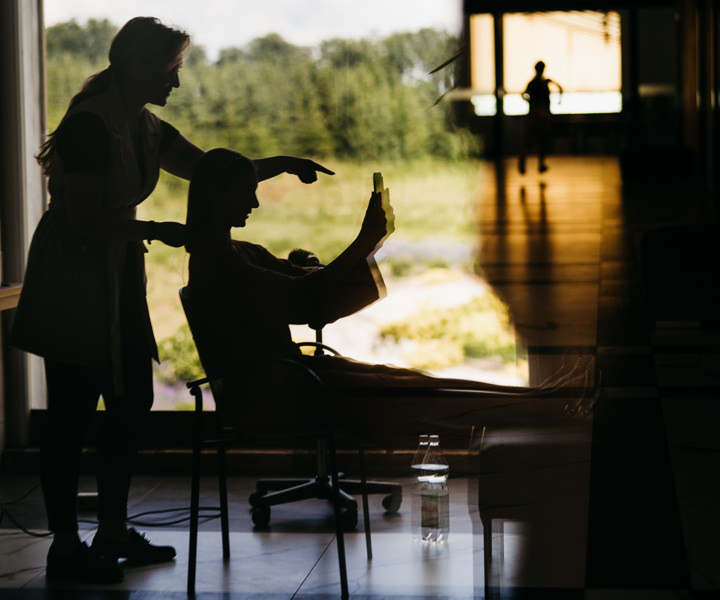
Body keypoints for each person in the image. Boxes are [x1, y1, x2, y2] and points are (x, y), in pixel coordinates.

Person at [9, 17, 332, 584]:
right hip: (74, 279)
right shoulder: (91, 127)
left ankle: (111, 530)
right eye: (170, 69)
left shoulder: (144, 126)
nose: (176, 82)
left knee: (131, 401)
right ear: (138, 65)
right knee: (71, 415)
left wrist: (280, 164)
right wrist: (156, 229)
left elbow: (210, 172)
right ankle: (65, 545)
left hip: (115, 275)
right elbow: (83, 219)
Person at [185, 149, 593, 439]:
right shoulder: (219, 264)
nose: (254, 202)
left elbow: (308, 291)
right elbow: (304, 299)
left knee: (408, 382)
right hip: (273, 395)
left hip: (288, 379)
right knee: (409, 391)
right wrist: (362, 243)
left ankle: (546, 399)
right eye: (245, 192)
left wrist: (365, 247)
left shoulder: (236, 253)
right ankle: (549, 404)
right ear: (216, 194)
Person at [518, 60, 563, 175]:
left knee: (532, 141)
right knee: (541, 141)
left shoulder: (534, 82)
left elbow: (523, 94)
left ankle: (525, 162)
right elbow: (560, 88)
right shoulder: (543, 82)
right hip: (541, 115)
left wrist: (529, 102)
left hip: (534, 114)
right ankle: (539, 164)